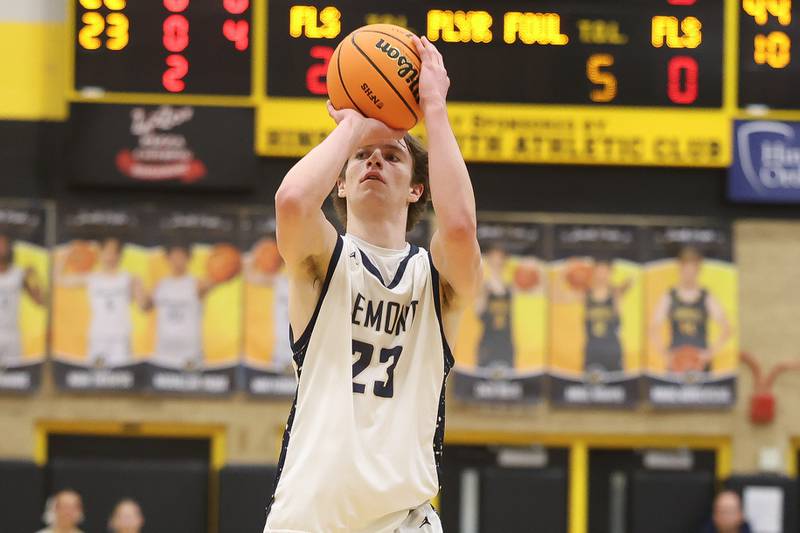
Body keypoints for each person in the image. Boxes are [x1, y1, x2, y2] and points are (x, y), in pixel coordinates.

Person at [264, 35, 481, 532]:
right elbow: (292, 202)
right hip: (310, 518)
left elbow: (460, 228)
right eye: (363, 156)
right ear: (339, 183)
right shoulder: (323, 261)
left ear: (417, 189)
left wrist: (435, 108)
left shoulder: (436, 281)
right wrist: (354, 125)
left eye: (393, 156)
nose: (375, 161)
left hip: (401, 520)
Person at [56, 238, 146, 367]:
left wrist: (140, 290)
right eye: (107, 252)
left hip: (121, 338)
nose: (110, 256)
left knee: (121, 376)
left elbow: (143, 307)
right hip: (98, 337)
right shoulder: (92, 278)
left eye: (114, 252)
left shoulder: (128, 278)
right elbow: (58, 279)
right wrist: (67, 254)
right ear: (100, 254)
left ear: (119, 255)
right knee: (96, 375)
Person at [650, 246, 732, 373]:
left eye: (692, 269)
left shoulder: (707, 297)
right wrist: (665, 354)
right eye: (686, 268)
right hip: (676, 363)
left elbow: (727, 329)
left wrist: (709, 353)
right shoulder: (669, 296)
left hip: (700, 362)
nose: (689, 273)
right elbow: (653, 328)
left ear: (698, 269)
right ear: (680, 268)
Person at [142, 243, 218, 370]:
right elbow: (145, 307)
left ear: (188, 258)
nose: (177, 261)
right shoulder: (160, 285)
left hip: (190, 351)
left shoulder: (197, 283)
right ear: (167, 258)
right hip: (164, 350)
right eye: (174, 256)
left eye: (181, 256)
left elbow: (215, 280)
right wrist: (140, 290)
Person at [556, 257, 631, 374]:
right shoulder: (585, 294)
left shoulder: (616, 294)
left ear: (611, 273)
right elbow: (557, 297)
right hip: (592, 351)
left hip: (613, 351)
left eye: (605, 272)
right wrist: (563, 273)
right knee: (591, 383)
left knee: (617, 383)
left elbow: (630, 280)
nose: (602, 276)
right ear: (593, 273)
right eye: (599, 272)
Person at [243, 237, 292, 372]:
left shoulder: (310, 281)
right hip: (281, 349)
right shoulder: (280, 281)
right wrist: (257, 253)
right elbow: (249, 274)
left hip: (304, 346)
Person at [0, 234, 44, 366]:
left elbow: (39, 301)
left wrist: (34, 277)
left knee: (14, 374)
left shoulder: (19, 273)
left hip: (13, 336)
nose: (1, 249)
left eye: (3, 245)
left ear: (9, 248)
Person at [474, 244, 515, 369]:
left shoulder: (510, 286)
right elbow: (478, 312)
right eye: (493, 258)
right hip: (488, 341)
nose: (497, 261)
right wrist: (485, 294)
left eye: (500, 258)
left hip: (506, 342)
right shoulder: (483, 286)